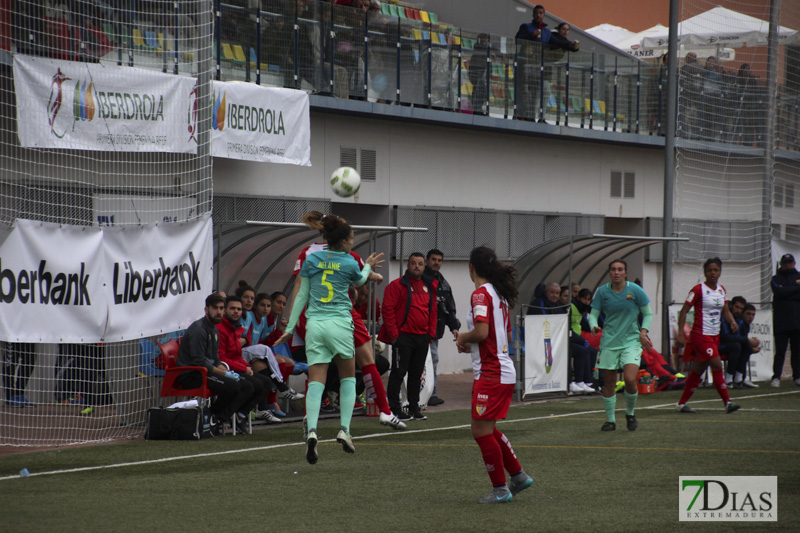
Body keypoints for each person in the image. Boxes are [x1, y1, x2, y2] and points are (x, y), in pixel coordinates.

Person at [276, 211, 384, 464]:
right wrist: (368, 265)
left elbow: (301, 294)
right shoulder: (348, 261)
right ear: (344, 241)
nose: (353, 242)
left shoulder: (312, 259)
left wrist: (290, 328)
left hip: (315, 325)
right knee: (347, 377)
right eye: (352, 238)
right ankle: (344, 430)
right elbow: (360, 279)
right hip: (339, 324)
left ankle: (312, 430)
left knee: (316, 381)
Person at [290, 215, 407, 431]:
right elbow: (362, 275)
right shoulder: (347, 253)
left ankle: (310, 418)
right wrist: (376, 276)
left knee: (318, 371)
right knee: (367, 362)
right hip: (342, 314)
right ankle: (384, 412)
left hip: (315, 316)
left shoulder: (308, 253)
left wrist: (295, 320)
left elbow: (300, 284)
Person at [456, 246, 533, 504]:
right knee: (487, 428)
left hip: (492, 372)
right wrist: (472, 343)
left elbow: (481, 332)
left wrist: (463, 337)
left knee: (479, 430)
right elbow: (505, 336)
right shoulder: (497, 294)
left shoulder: (480, 294)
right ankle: (518, 476)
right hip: (501, 369)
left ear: (471, 267)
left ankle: (500, 489)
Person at [588, 259, 653, 431]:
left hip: (631, 341)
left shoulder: (635, 290)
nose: (616, 272)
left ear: (626, 272)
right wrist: (593, 324)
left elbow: (648, 313)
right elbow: (593, 314)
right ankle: (610, 420)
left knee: (630, 379)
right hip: (609, 341)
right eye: (613, 269)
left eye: (620, 269)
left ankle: (630, 413)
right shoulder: (602, 292)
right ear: (610, 272)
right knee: (609, 383)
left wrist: (643, 333)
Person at [177, 293, 255, 431]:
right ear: (206, 310)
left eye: (221, 308)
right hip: (191, 374)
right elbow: (199, 361)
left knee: (247, 386)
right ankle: (212, 417)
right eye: (215, 308)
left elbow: (215, 358)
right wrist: (224, 373)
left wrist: (225, 371)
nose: (219, 312)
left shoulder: (214, 329)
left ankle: (216, 419)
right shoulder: (199, 329)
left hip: (205, 372)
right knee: (233, 386)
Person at [674, 257, 741, 414]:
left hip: (714, 336)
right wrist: (681, 335)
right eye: (709, 270)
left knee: (698, 369)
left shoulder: (721, 290)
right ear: (705, 272)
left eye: (716, 270)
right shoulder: (698, 290)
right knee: (717, 365)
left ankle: (681, 404)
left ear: (720, 272)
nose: (712, 273)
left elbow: (725, 311)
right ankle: (727, 403)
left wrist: (732, 321)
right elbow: (684, 311)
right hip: (700, 335)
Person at [379, 253, 438, 421]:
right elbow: (387, 310)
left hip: (422, 338)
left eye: (420, 264)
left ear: (424, 266)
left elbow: (433, 311)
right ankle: (394, 409)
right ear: (408, 265)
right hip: (403, 338)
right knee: (398, 373)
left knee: (416, 374)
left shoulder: (429, 287)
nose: (417, 266)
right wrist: (395, 336)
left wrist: (430, 334)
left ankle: (414, 408)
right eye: (413, 263)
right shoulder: (396, 286)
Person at [216, 295, 280, 427]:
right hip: (224, 369)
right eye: (232, 308)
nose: (236, 312)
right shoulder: (221, 329)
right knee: (251, 386)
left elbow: (237, 354)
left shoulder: (235, 328)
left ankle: (241, 414)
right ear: (224, 310)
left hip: (235, 367)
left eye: (239, 309)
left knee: (266, 382)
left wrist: (246, 366)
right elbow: (221, 358)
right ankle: (220, 418)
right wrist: (244, 368)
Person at [529, 282, 595, 393]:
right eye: (552, 293)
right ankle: (568, 383)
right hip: (542, 342)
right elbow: (545, 324)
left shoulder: (558, 307)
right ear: (546, 293)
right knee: (568, 350)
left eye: (557, 293)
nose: (555, 295)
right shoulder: (539, 303)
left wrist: (580, 340)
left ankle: (582, 381)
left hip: (558, 340)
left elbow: (565, 327)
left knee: (584, 350)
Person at [424, 249, 461, 407]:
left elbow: (449, 308)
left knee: (433, 360)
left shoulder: (443, 282)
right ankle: (425, 394)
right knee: (423, 361)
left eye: (439, 260)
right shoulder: (420, 280)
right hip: (420, 328)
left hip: (434, 330)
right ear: (427, 260)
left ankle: (431, 393)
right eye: (434, 259)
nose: (436, 262)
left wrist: (454, 327)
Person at [770, 253, 800, 388]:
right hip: (781, 321)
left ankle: (797, 376)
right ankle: (776, 377)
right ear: (781, 264)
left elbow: (784, 292)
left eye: (789, 262)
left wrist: (787, 290)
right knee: (780, 351)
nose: (787, 265)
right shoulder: (776, 278)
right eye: (785, 263)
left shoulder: (798, 276)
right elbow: (779, 292)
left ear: (794, 263)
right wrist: (795, 290)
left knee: (797, 351)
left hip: (797, 320)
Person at [732, 303, 761, 388]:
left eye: (753, 314)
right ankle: (737, 378)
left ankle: (740, 378)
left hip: (738, 346)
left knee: (746, 348)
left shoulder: (746, 324)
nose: (751, 317)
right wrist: (750, 345)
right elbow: (736, 338)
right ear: (742, 314)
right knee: (744, 348)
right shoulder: (739, 322)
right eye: (748, 314)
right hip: (729, 346)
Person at [719, 295, 746, 386]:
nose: (738, 310)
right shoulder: (724, 316)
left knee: (746, 346)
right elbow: (725, 336)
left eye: (741, 308)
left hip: (731, 344)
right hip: (719, 345)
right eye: (736, 307)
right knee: (736, 346)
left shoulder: (740, 319)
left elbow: (740, 336)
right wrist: (745, 339)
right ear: (731, 306)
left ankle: (739, 378)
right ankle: (728, 379)